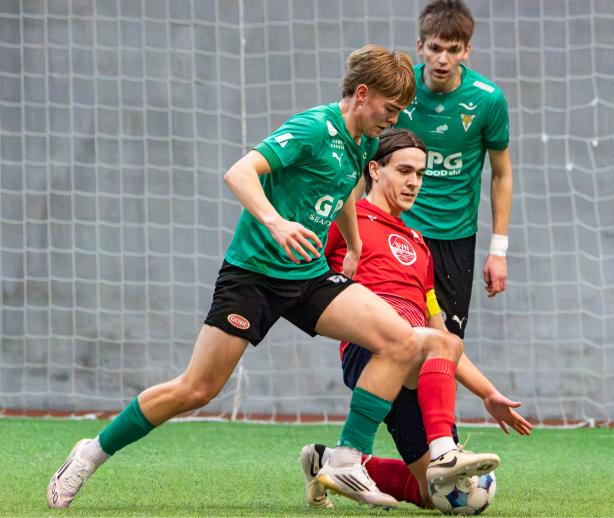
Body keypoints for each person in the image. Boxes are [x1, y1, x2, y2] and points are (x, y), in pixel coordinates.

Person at [47, 45, 483, 511]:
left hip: (309, 275)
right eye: (389, 108)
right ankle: (91, 452)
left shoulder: (364, 142)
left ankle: (345, 459)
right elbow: (239, 173)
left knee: (402, 340)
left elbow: (341, 191)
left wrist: (354, 244)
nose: (393, 120)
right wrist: (276, 223)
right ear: (361, 94)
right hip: (253, 276)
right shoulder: (313, 127)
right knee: (197, 389)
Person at [299, 128, 531, 509]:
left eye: (420, 174)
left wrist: (488, 393)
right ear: (375, 169)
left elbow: (443, 340)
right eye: (404, 170)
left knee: (435, 495)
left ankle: (325, 460)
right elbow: (306, 274)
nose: (414, 182)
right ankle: (445, 451)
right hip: (371, 351)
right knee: (436, 344)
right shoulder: (348, 218)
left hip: (418, 361)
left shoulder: (420, 247)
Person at [397, 0, 513, 339]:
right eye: (435, 48)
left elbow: (502, 175)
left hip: (455, 238)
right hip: (401, 230)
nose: (442, 59)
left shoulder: (488, 100)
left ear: (466, 51)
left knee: (445, 344)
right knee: (393, 338)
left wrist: (498, 252)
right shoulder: (399, 89)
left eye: (453, 50)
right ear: (420, 46)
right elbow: (366, 158)